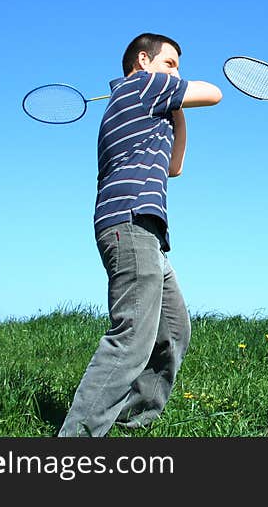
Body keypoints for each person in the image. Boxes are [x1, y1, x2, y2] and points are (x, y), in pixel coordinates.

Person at [58, 32, 222, 437]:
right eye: (171, 64)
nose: (177, 73)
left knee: (174, 329)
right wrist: (178, 92)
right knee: (132, 337)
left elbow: (175, 167)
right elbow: (214, 93)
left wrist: (177, 107)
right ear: (143, 60)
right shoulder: (145, 85)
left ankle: (135, 419)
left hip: (144, 228)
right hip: (129, 223)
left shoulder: (142, 100)